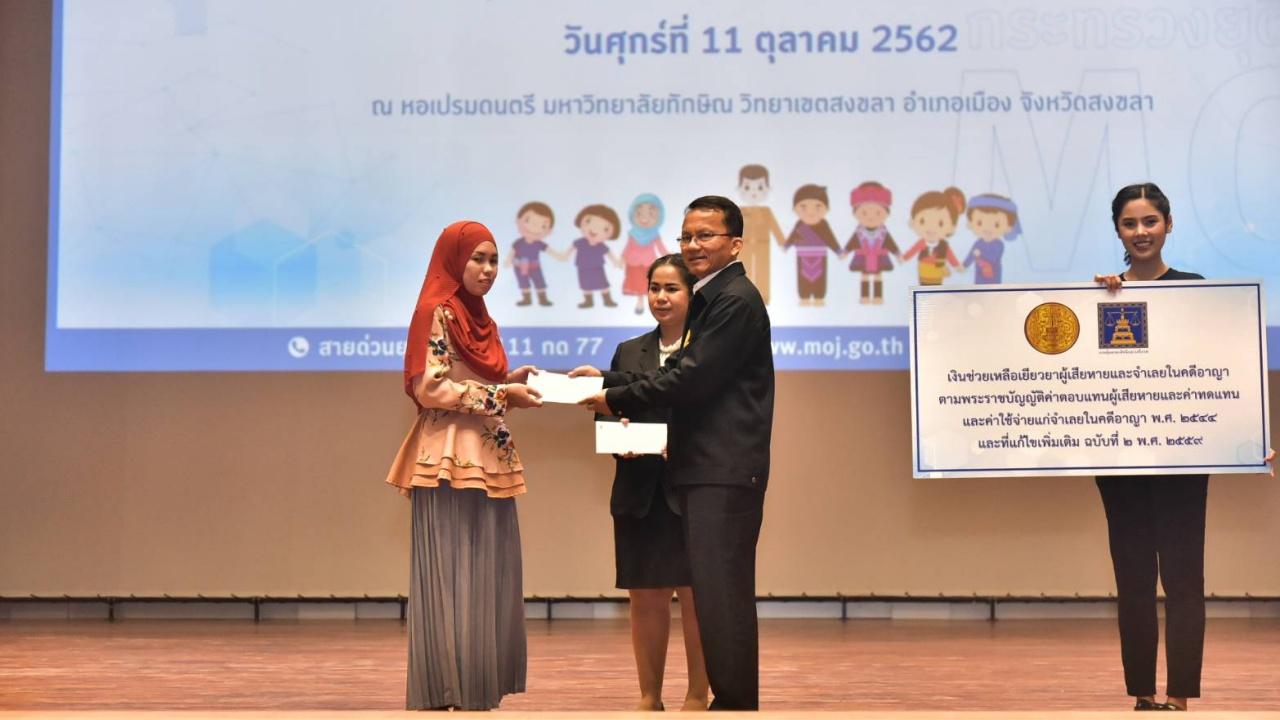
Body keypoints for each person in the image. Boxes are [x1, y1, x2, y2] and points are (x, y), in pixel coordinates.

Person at [576, 195, 774, 711]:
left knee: (720, 595)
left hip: (720, 471)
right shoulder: (714, 299)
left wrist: (615, 395)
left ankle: (732, 704)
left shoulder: (733, 300)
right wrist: (609, 379)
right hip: (706, 470)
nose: (693, 245)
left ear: (735, 243)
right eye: (686, 236)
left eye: (705, 235)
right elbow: (675, 372)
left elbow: (690, 378)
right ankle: (729, 703)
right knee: (715, 593)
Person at [1093, 183, 1273, 712]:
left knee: (1183, 576)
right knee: (1132, 577)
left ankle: (1179, 693)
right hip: (1121, 461)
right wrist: (1098, 301)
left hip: (1183, 458)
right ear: (1118, 231)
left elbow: (1227, 368)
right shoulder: (1100, 296)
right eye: (1130, 223)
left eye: (1150, 221)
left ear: (1168, 225)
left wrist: (1253, 434)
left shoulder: (1196, 291)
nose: (1141, 231)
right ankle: (1142, 692)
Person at [384, 220, 543, 711]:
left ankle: (475, 685)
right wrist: (501, 394)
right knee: (453, 570)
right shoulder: (436, 310)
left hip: (488, 451)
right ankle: (447, 686)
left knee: (486, 569)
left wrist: (509, 382)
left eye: (494, 260)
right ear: (454, 260)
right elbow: (430, 387)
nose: (488, 269)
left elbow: (470, 378)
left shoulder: (480, 317)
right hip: (447, 457)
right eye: (478, 258)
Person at [602, 254, 709, 711]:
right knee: (645, 597)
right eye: (654, 288)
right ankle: (649, 697)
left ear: (692, 294)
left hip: (692, 491)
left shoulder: (708, 348)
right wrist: (619, 439)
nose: (661, 297)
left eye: (672, 288)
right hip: (639, 491)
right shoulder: (629, 351)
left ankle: (698, 693)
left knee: (697, 598)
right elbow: (609, 412)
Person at [737, 164, 787, 303]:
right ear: (739, 188)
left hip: (762, 245)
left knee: (762, 270)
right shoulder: (739, 211)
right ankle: (743, 296)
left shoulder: (766, 212)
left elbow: (775, 227)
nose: (753, 192)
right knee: (744, 270)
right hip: (744, 246)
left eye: (760, 187)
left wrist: (782, 242)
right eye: (747, 187)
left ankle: (763, 297)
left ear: (767, 189)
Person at [620, 194, 672, 315]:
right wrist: (622, 258)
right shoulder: (632, 233)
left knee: (648, 283)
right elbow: (628, 247)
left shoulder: (654, 234)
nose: (644, 219)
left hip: (648, 263)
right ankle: (640, 302)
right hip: (633, 263)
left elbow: (661, 248)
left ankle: (651, 303)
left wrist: (671, 257)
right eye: (639, 214)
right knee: (637, 284)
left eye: (651, 214)